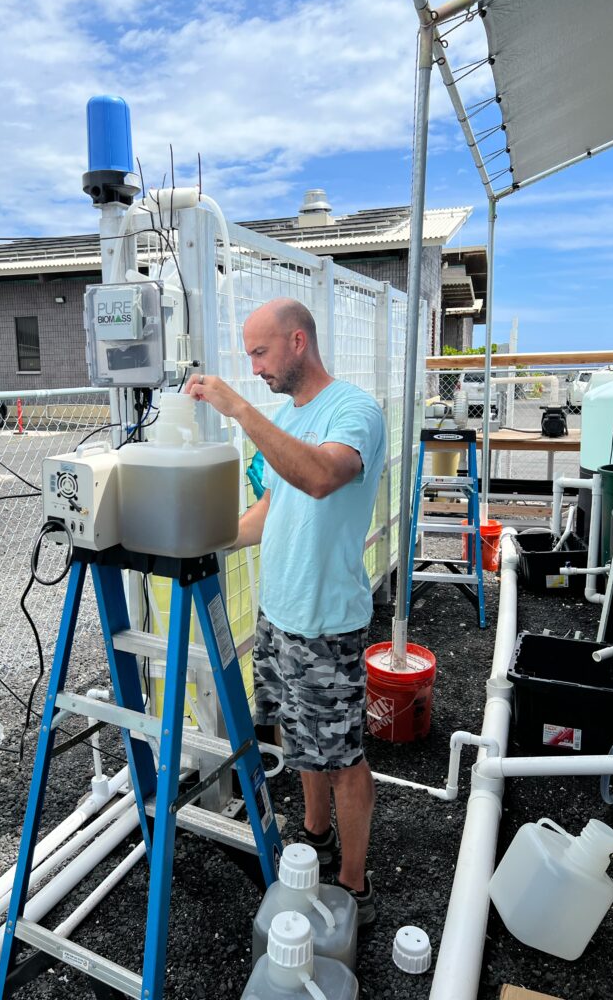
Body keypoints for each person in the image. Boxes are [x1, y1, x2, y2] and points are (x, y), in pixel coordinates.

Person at [186, 297, 386, 926]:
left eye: (260, 352)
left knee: (343, 754)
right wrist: (200, 536)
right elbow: (272, 511)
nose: (254, 368)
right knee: (300, 741)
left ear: (298, 342)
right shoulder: (282, 414)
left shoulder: (355, 410)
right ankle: (314, 835)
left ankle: (353, 885)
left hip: (327, 621)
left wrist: (238, 411)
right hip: (280, 614)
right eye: (248, 356)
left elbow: (322, 477)